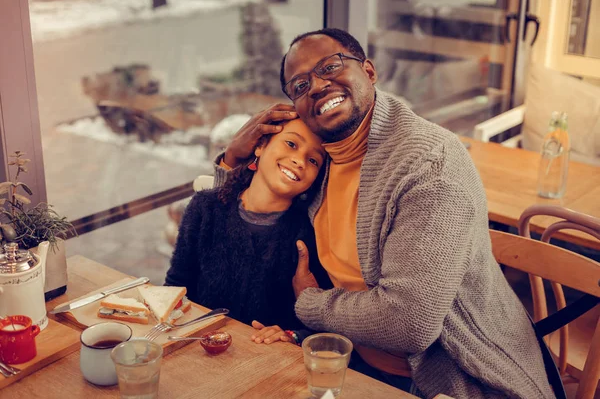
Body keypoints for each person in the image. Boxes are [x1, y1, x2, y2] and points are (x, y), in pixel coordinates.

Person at [214, 28, 557, 398]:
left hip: (453, 376)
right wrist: (232, 158)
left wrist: (309, 303)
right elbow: (241, 215)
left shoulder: (430, 164)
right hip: (351, 358)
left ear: (369, 71)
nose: (315, 86)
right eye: (299, 86)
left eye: (329, 67)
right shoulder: (322, 159)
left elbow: (409, 322)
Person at [166, 118, 332, 346]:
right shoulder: (205, 207)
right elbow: (176, 286)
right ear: (260, 147)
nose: (299, 160)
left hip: (264, 361)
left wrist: (292, 336)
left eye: (313, 160)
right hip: (198, 346)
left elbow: (318, 328)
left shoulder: (311, 235)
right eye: (292, 144)